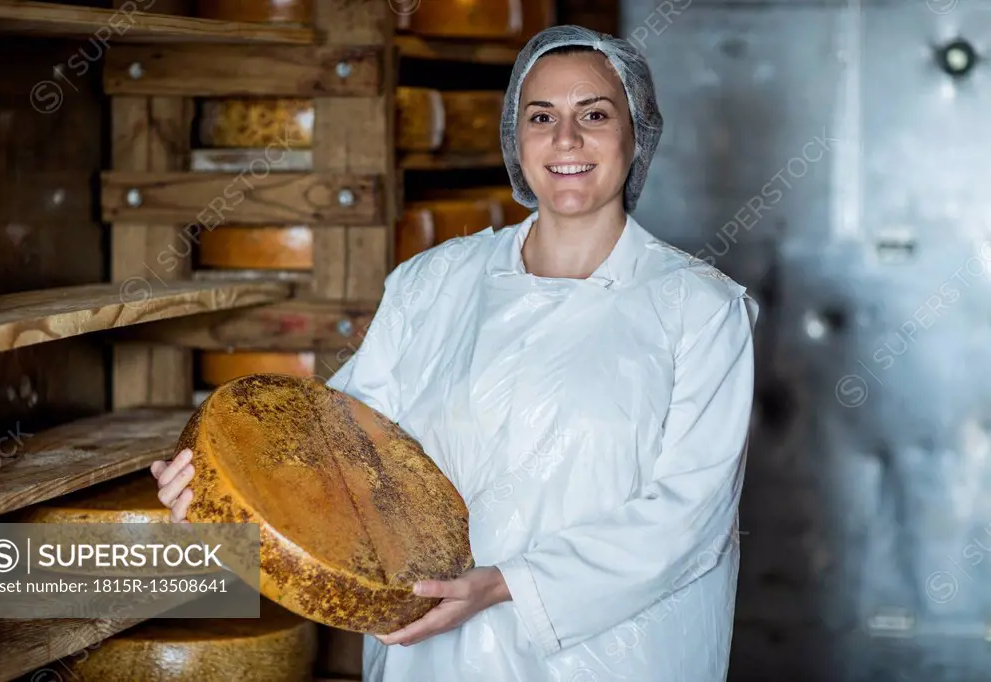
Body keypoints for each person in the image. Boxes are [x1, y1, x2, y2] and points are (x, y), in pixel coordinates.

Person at [151, 25, 757, 682]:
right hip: (432, 656)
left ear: (636, 134)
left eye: (595, 114)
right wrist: (224, 494)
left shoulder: (700, 309)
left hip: (615, 660)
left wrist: (507, 585)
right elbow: (338, 448)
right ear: (514, 138)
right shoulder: (432, 282)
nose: (566, 139)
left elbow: (689, 517)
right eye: (541, 116)